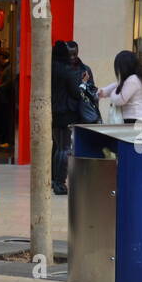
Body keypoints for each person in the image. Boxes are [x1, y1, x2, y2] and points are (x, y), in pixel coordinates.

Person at [50, 40, 83, 195]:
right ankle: (59, 183)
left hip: (53, 112)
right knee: (64, 148)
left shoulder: (49, 69)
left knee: (57, 147)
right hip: (66, 112)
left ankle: (54, 180)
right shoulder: (66, 70)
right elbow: (76, 92)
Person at [99, 50, 142, 123]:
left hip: (137, 120)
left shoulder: (133, 79)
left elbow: (120, 100)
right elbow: (117, 85)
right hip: (137, 121)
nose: (119, 71)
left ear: (124, 67)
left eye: (119, 68)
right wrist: (102, 92)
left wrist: (112, 93)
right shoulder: (134, 79)